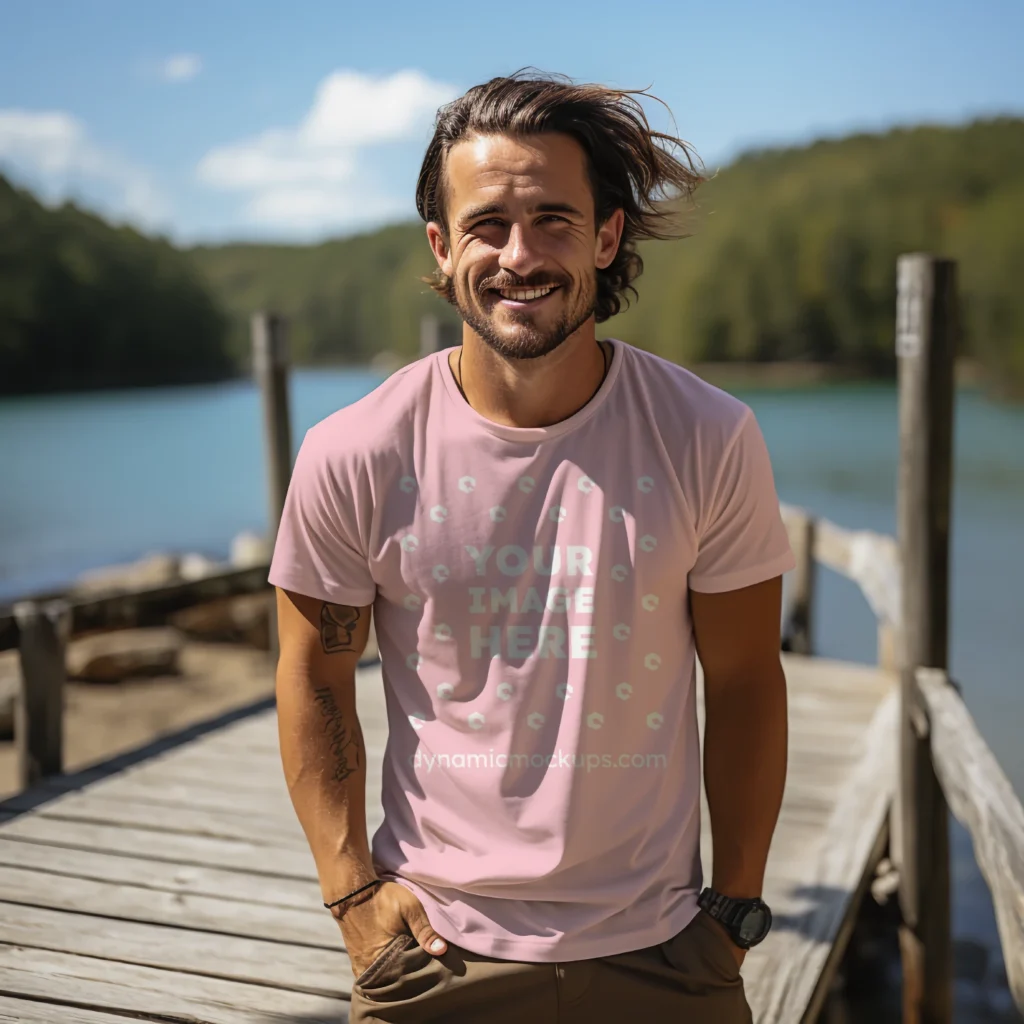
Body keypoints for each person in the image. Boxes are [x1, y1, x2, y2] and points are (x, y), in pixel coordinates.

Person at [269, 69, 795, 1023]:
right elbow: (311, 670)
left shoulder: (706, 436)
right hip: (433, 952)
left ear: (606, 235)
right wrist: (351, 896)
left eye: (555, 219)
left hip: (665, 951)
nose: (520, 255)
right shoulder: (355, 452)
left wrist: (736, 908)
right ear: (441, 247)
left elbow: (749, 677)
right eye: (487, 225)